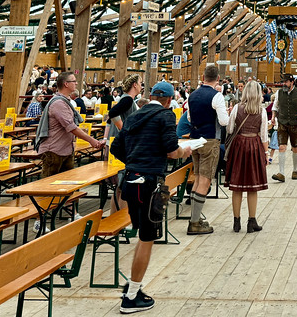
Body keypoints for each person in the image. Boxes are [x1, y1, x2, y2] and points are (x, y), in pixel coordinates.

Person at [110, 80, 191, 313]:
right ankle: (132, 296)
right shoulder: (165, 116)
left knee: (143, 235)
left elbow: (116, 147)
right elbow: (171, 149)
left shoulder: (134, 115)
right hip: (149, 184)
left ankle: (132, 287)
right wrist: (183, 151)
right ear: (167, 100)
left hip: (130, 182)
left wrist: (134, 162)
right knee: (147, 238)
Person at [33, 71, 103, 178]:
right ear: (66, 84)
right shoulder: (59, 103)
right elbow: (71, 127)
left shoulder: (65, 101)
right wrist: (92, 140)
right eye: (74, 81)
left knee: (67, 186)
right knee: (48, 188)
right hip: (54, 151)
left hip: (65, 150)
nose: (76, 83)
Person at [186, 64, 229, 235]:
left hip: (194, 139)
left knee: (197, 179)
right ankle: (194, 222)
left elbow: (189, 117)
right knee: (205, 181)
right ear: (218, 79)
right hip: (210, 139)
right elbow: (224, 122)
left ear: (203, 77)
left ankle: (194, 217)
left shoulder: (192, 95)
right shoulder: (217, 96)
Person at [225, 80, 269, 233]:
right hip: (254, 145)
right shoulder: (261, 111)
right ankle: (252, 221)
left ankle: (236, 222)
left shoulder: (237, 107)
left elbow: (230, 129)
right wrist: (266, 153)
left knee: (237, 187)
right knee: (252, 186)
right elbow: (264, 135)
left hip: (238, 146)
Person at [270, 74, 297, 183]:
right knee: (282, 147)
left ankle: (295, 170)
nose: (284, 84)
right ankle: (281, 173)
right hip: (282, 122)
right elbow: (275, 106)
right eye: (283, 82)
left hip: (295, 123)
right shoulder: (279, 93)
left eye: (286, 82)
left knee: (295, 147)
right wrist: (273, 116)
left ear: (292, 82)